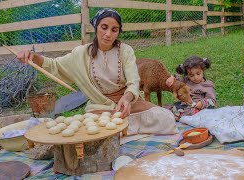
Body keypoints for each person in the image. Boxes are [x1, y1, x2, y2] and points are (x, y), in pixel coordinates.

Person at [16, 8, 178, 135]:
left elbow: (134, 81)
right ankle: (124, 132)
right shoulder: (80, 54)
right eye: (104, 27)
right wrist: (32, 56)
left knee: (165, 119)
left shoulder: (126, 51)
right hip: (100, 106)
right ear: (96, 27)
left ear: (118, 32)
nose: (108, 34)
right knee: (93, 129)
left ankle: (124, 132)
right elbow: (53, 65)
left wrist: (127, 99)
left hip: (128, 104)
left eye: (114, 30)